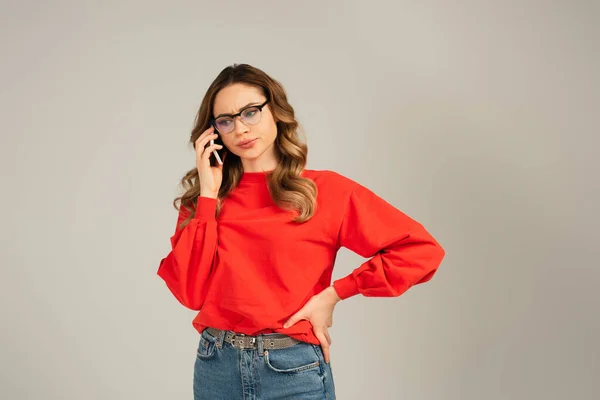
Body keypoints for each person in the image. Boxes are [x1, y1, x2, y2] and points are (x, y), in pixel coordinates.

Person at [157, 63, 446, 400]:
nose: (241, 129)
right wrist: (208, 195)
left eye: (251, 112)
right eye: (226, 120)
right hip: (216, 366)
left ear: (275, 112)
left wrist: (335, 293)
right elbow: (190, 293)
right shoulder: (204, 202)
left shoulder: (323, 191)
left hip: (292, 368)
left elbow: (421, 251)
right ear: (213, 132)